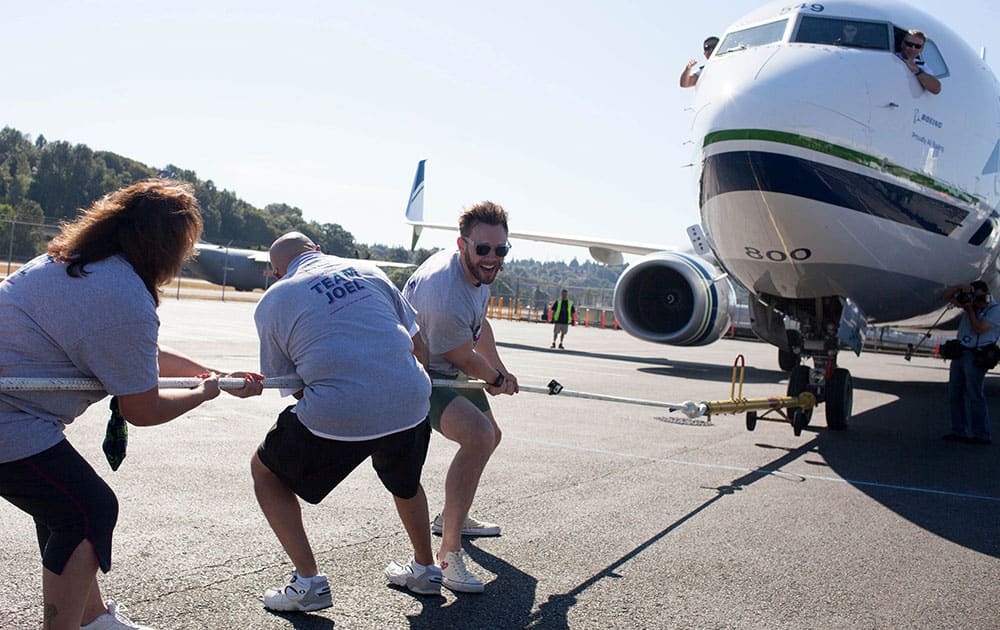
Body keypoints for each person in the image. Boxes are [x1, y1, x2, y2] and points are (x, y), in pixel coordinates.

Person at [0, 179, 264, 630]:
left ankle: (93, 619)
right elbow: (143, 409)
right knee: (86, 509)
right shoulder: (120, 294)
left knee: (67, 505)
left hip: (17, 412)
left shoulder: (74, 264)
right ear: (165, 245)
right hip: (12, 416)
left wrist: (215, 375)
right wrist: (205, 393)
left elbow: (139, 356)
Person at [251, 232, 441, 611]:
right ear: (317, 250)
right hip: (411, 399)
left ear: (275, 272)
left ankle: (309, 583)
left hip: (342, 408)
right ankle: (426, 569)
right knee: (405, 484)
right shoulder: (370, 270)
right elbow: (419, 349)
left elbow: (291, 384)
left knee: (265, 472)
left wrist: (347, 405)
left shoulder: (273, 300)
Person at [402, 201, 519, 593]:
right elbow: (459, 356)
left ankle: (454, 515)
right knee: (479, 437)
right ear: (462, 244)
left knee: (491, 433)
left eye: (500, 250)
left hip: (447, 361)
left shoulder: (476, 276)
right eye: (483, 249)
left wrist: (499, 370)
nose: (492, 258)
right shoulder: (445, 289)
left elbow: (478, 325)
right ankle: (448, 554)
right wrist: (493, 377)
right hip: (420, 372)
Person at [942, 281, 999, 445]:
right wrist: (959, 288)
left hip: (976, 355)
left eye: (979, 296)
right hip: (961, 352)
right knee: (955, 394)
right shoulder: (972, 303)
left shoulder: (995, 311)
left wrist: (969, 310)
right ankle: (958, 430)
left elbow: (978, 329)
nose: (976, 301)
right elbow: (946, 297)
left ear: (987, 293)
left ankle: (982, 434)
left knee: (975, 394)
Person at [897, 29, 941, 94]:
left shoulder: (921, 65)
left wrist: (917, 70)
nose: (913, 48)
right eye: (909, 44)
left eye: (917, 46)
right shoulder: (893, 57)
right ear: (903, 44)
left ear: (921, 49)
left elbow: (936, 89)